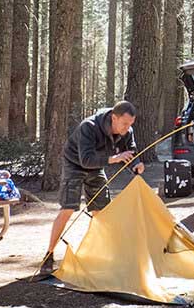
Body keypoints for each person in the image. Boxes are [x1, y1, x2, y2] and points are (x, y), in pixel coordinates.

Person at [41, 100, 144, 272]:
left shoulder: (127, 131)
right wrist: (113, 159)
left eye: (130, 124)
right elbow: (86, 160)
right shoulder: (88, 127)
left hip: (97, 167)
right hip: (75, 164)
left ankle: (99, 254)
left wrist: (136, 164)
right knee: (68, 209)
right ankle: (48, 255)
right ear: (114, 118)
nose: (127, 128)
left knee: (101, 212)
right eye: (125, 124)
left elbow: (131, 150)